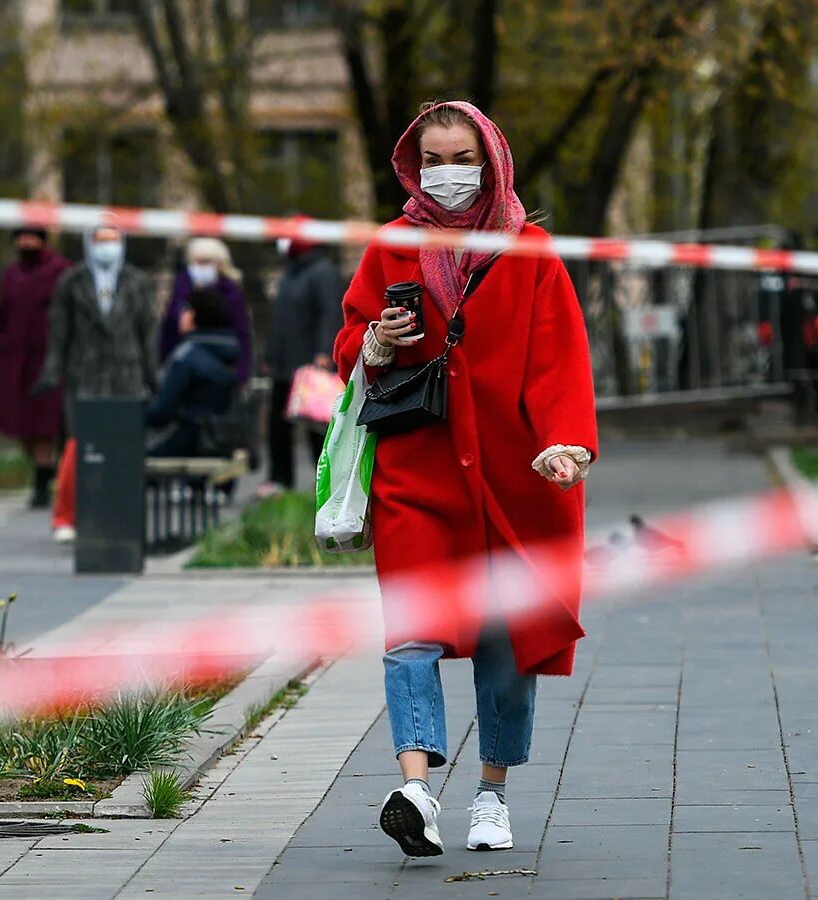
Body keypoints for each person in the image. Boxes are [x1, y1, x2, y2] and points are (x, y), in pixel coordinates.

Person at [334, 100, 597, 857]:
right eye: (433, 162)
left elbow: (559, 360)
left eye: (461, 159)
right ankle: (415, 789)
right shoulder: (391, 246)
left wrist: (566, 444)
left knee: (505, 642)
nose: (447, 176)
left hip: (516, 476)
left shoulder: (531, 252)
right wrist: (376, 341)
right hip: (418, 473)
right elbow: (347, 343)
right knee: (411, 631)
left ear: (492, 160)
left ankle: (492, 795)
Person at [34, 218, 160, 543]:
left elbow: (147, 333)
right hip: (85, 376)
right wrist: (51, 372)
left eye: (113, 239)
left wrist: (153, 376)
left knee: (124, 448)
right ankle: (67, 516)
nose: (107, 246)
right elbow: (59, 333)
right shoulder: (71, 282)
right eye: (101, 239)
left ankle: (119, 514)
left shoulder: (138, 281)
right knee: (78, 449)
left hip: (126, 376)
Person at [0, 228, 71, 508]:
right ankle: (43, 473)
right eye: (20, 238)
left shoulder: (60, 271)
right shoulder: (12, 274)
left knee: (44, 424)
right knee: (19, 424)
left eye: (31, 238)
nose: (25, 243)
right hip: (14, 360)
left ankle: (44, 481)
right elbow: (2, 311)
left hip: (46, 360)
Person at [262, 236, 345, 494]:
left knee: (317, 426)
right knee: (278, 423)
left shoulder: (323, 273)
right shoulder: (293, 272)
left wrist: (324, 352)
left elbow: (330, 313)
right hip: (285, 365)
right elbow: (280, 320)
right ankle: (280, 479)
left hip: (309, 365)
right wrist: (270, 357)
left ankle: (327, 484)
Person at [147, 288, 240, 458]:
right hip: (222, 440)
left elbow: (162, 411)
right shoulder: (229, 351)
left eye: (184, 310)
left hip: (187, 440)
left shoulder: (186, 356)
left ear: (192, 316)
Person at [159, 237, 252, 385]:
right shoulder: (181, 286)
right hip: (183, 367)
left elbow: (242, 335)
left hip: (221, 369)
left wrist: (241, 374)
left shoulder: (232, 293)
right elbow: (169, 327)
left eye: (207, 262)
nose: (201, 267)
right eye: (198, 262)